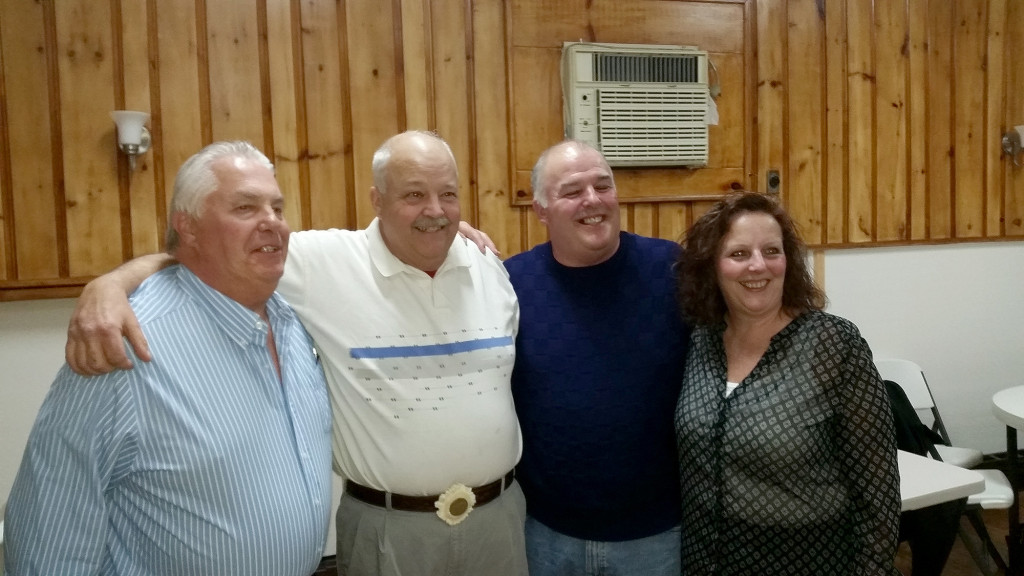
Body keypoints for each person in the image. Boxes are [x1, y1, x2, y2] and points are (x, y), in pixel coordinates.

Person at [61, 130, 527, 576]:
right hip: (388, 529)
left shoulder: (487, 265)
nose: (435, 210)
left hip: (500, 519)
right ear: (377, 201)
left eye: (447, 195)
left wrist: (441, 223)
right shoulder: (323, 262)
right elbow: (210, 253)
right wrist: (111, 284)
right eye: (413, 195)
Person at [3, 141, 333, 575]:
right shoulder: (123, 347)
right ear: (189, 227)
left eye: (278, 207)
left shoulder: (294, 321)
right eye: (245, 208)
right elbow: (49, 539)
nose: (272, 223)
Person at [673, 191, 900, 575]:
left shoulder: (833, 345)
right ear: (712, 266)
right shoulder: (699, 339)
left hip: (810, 561)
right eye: (739, 254)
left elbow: (877, 493)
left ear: (788, 261)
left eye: (772, 251)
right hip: (705, 560)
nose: (758, 266)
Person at [503, 139, 690, 575]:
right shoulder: (510, 282)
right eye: (572, 191)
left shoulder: (672, 270)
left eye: (603, 186)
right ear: (542, 210)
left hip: (656, 534)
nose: (593, 201)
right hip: (545, 531)